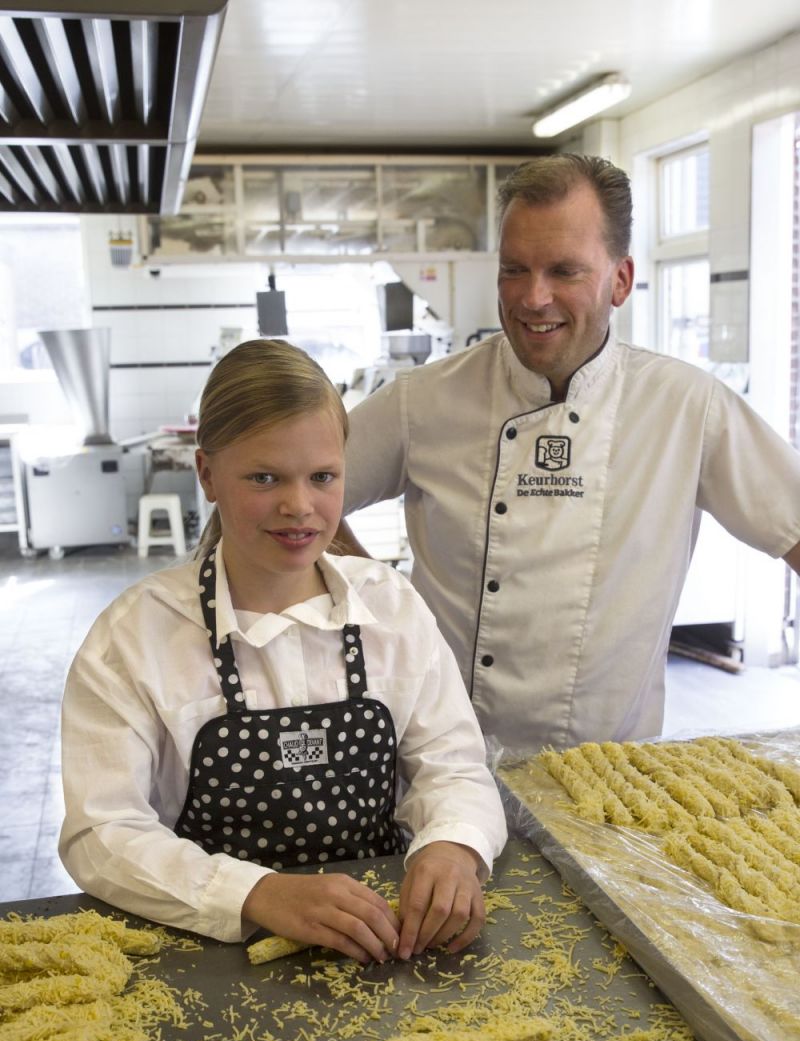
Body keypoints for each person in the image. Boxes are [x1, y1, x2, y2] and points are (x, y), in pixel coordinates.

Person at [59, 339, 507, 963]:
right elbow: (101, 833)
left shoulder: (391, 608)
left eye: (322, 477)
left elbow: (452, 762)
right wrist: (256, 893)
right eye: (264, 477)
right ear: (208, 474)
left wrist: (454, 844)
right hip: (210, 948)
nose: (299, 506)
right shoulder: (135, 638)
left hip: (383, 938)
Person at [340, 153, 800, 756]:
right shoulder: (424, 401)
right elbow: (286, 502)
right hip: (439, 769)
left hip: (611, 779)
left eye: (564, 271)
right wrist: (381, 605)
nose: (533, 298)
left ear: (621, 279)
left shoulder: (687, 407)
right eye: (514, 269)